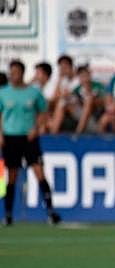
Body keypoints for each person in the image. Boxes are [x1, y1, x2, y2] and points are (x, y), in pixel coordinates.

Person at [0, 60, 61, 225]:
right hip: (11, 137)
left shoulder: (33, 93)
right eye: (11, 72)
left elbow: (43, 111)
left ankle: (51, 211)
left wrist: (37, 128)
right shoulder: (3, 93)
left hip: (29, 138)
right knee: (11, 177)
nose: (13, 75)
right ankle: (8, 214)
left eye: (16, 72)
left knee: (39, 172)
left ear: (22, 73)